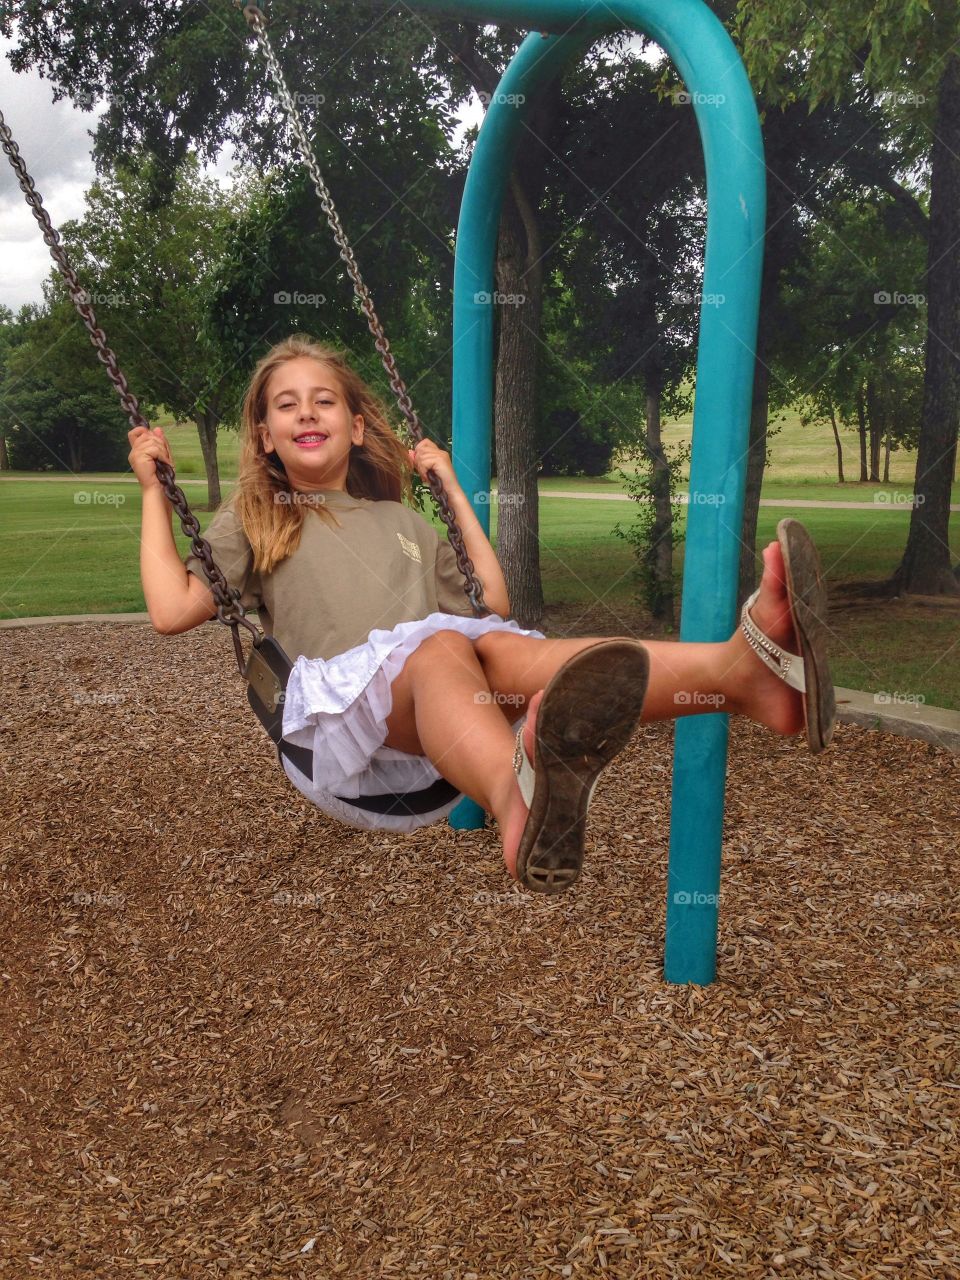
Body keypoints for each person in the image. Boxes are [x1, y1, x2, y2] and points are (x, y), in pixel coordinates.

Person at [128, 334, 834, 895]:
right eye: (287, 404)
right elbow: (171, 608)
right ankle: (519, 796)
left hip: (446, 702)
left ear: (356, 424)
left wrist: (452, 490)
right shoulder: (255, 516)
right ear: (263, 436)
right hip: (342, 737)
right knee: (440, 651)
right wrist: (154, 489)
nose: (307, 413)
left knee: (506, 650)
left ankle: (745, 676)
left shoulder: (401, 518)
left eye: (324, 401)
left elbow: (488, 599)